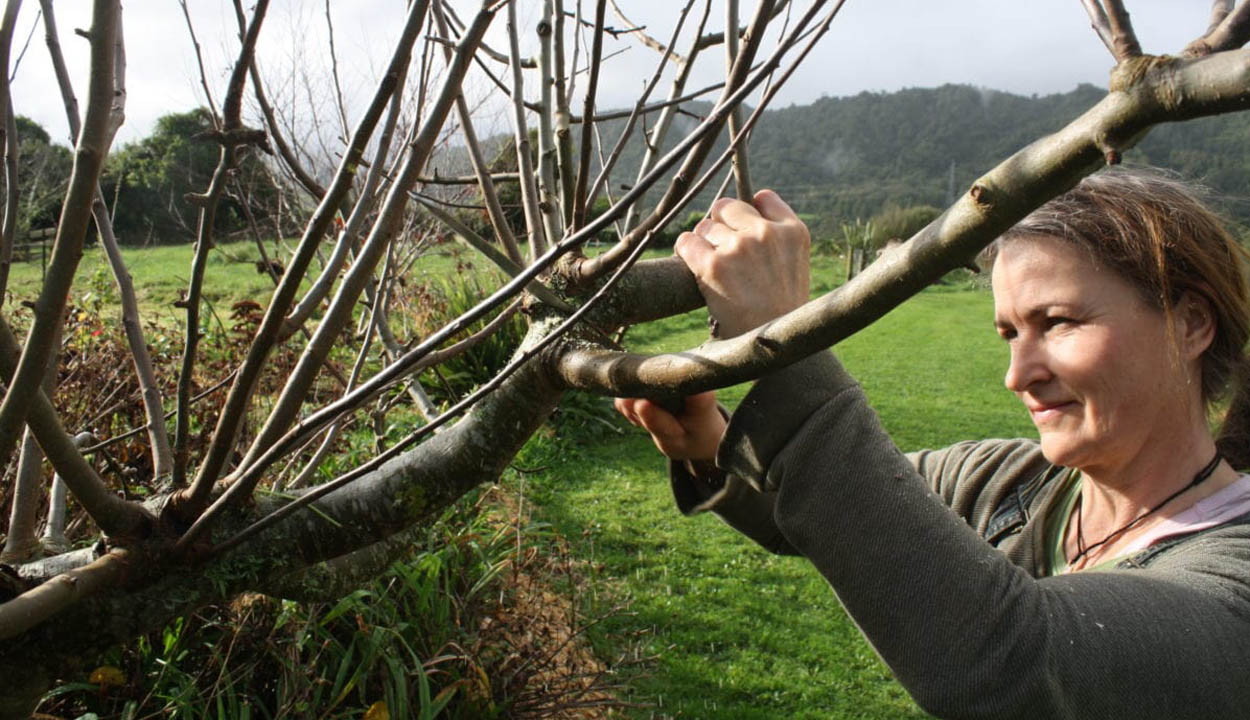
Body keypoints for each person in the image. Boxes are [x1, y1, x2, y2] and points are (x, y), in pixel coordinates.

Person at [614, 168, 1250, 719]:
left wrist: (786, 346)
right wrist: (708, 440)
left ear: (1190, 323)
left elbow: (1012, 660)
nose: (1017, 374)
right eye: (1009, 334)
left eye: (1057, 323)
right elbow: (812, 511)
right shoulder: (1004, 481)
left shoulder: (1233, 573)